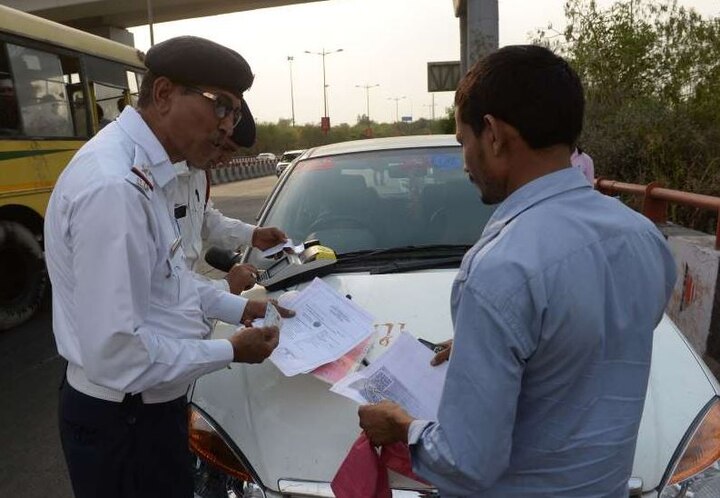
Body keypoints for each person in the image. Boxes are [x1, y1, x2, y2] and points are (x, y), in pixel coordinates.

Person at [357, 45, 677, 497]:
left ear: (493, 134)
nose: (465, 162)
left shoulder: (499, 269)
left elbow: (466, 463)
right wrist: (496, 347)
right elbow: (596, 340)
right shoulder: (643, 238)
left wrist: (401, 426)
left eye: (462, 142)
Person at [44, 36, 291, 498]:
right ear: (162, 94)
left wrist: (244, 312)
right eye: (221, 107)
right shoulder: (116, 188)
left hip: (146, 410)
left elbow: (172, 280)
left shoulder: (151, 173)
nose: (226, 128)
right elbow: (120, 353)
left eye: (234, 113)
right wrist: (232, 351)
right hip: (124, 422)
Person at [172, 98, 287, 293]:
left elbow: (205, 219)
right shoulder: (149, 178)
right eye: (222, 147)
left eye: (232, 152)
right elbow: (160, 285)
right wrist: (225, 287)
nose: (225, 161)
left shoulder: (198, 174)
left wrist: (253, 235)